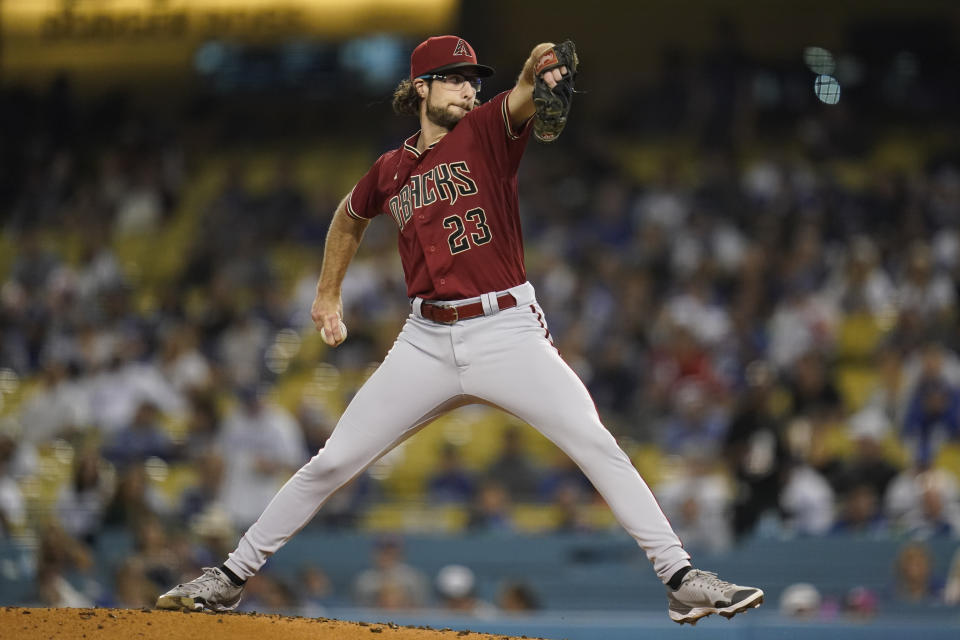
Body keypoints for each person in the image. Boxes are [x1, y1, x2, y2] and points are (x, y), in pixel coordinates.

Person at [156, 34, 763, 625]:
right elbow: (348, 217)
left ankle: (681, 579)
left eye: (475, 81)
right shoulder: (390, 169)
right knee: (331, 461)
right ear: (420, 87)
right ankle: (231, 576)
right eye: (456, 78)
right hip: (424, 339)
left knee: (594, 441)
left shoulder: (487, 131)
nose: (469, 90)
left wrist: (539, 66)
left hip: (505, 330)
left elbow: (525, 90)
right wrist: (327, 293)